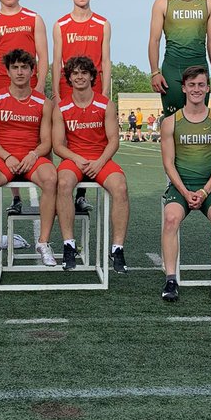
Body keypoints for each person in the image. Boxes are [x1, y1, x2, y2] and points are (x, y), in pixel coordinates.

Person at [0, 49, 58, 269]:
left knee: (51, 178)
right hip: (5, 156)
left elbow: (46, 141)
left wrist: (34, 154)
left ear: (33, 71)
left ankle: (43, 242)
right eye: (15, 67)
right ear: (8, 71)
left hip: (33, 157)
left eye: (25, 67)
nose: (20, 72)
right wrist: (7, 155)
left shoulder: (44, 103)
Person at [159, 64, 211, 303]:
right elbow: (168, 164)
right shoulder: (170, 122)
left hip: (208, 187)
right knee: (170, 218)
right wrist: (185, 191)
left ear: (208, 87)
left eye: (201, 84)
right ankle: (171, 279)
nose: (196, 89)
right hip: (181, 186)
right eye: (192, 85)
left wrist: (203, 191)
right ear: (184, 88)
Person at [0, 0, 49, 216]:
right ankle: (16, 196)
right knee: (3, 139)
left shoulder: (33, 18)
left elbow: (42, 55)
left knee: (39, 137)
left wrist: (39, 88)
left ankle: (45, 187)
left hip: (30, 85)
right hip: (2, 86)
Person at [52, 55, 129, 273]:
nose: (79, 77)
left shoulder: (106, 104)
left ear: (91, 76)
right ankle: (69, 245)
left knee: (121, 187)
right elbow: (58, 145)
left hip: (101, 158)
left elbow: (114, 140)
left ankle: (117, 249)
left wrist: (100, 161)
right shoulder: (62, 107)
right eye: (75, 73)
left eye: (84, 72)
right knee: (63, 183)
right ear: (69, 77)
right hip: (74, 158)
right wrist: (76, 158)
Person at [51, 0, 111, 214]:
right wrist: (55, 91)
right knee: (66, 138)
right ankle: (68, 183)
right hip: (68, 88)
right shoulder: (61, 25)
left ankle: (82, 193)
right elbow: (57, 61)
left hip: (94, 88)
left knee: (95, 137)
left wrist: (105, 91)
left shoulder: (102, 23)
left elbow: (106, 61)